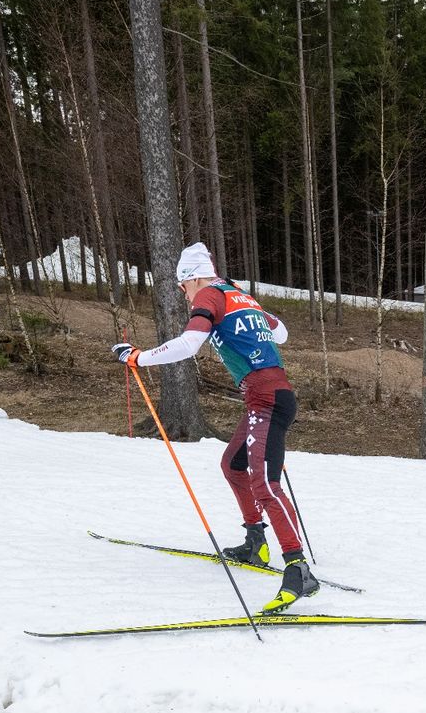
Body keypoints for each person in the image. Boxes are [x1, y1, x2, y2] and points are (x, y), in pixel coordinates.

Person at [114, 242, 316, 613]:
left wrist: (140, 357)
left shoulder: (208, 294)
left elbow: (191, 344)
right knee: (233, 466)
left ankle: (297, 567)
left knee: (266, 485)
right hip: (267, 398)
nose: (185, 295)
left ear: (191, 278)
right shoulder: (239, 295)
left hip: (267, 401)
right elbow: (282, 332)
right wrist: (257, 319)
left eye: (182, 286)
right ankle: (256, 541)